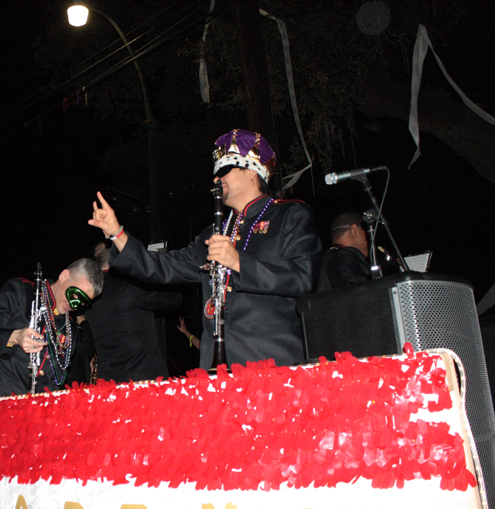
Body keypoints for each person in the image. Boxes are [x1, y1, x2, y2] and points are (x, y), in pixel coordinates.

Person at [89, 129, 322, 369]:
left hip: (272, 363)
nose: (215, 179)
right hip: (215, 367)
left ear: (252, 172)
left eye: (223, 171)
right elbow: (164, 267)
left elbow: (302, 277)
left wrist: (239, 262)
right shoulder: (213, 233)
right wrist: (117, 233)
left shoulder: (289, 214)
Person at [0, 259, 102, 399]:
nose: (75, 305)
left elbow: (57, 379)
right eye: (75, 295)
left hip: (33, 412)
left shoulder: (70, 327)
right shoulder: (21, 291)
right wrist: (14, 337)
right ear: (64, 276)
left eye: (83, 302)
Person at [84, 240, 182, 382]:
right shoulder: (130, 286)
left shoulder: (89, 293)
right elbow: (174, 299)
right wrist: (155, 268)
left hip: (108, 380)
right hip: (142, 380)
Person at [317, 212, 373, 291]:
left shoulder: (329, 257)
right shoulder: (344, 257)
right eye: (365, 230)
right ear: (354, 230)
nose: (368, 235)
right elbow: (359, 295)